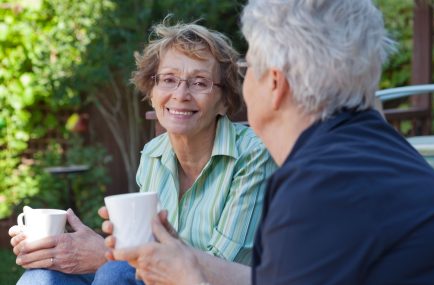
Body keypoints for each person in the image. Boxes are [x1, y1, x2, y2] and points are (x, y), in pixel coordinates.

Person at [109, 0, 434, 284]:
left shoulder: (317, 184)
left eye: (250, 67)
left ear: (275, 84)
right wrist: (183, 258)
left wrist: (188, 277)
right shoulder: (372, 148)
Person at [9, 21, 276, 285]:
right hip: (155, 278)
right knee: (41, 276)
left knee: (115, 272)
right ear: (152, 92)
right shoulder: (153, 154)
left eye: (200, 82)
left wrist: (106, 253)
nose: (180, 94)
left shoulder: (253, 155)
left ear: (224, 101)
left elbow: (220, 268)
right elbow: (141, 246)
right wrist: (59, 250)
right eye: (169, 80)